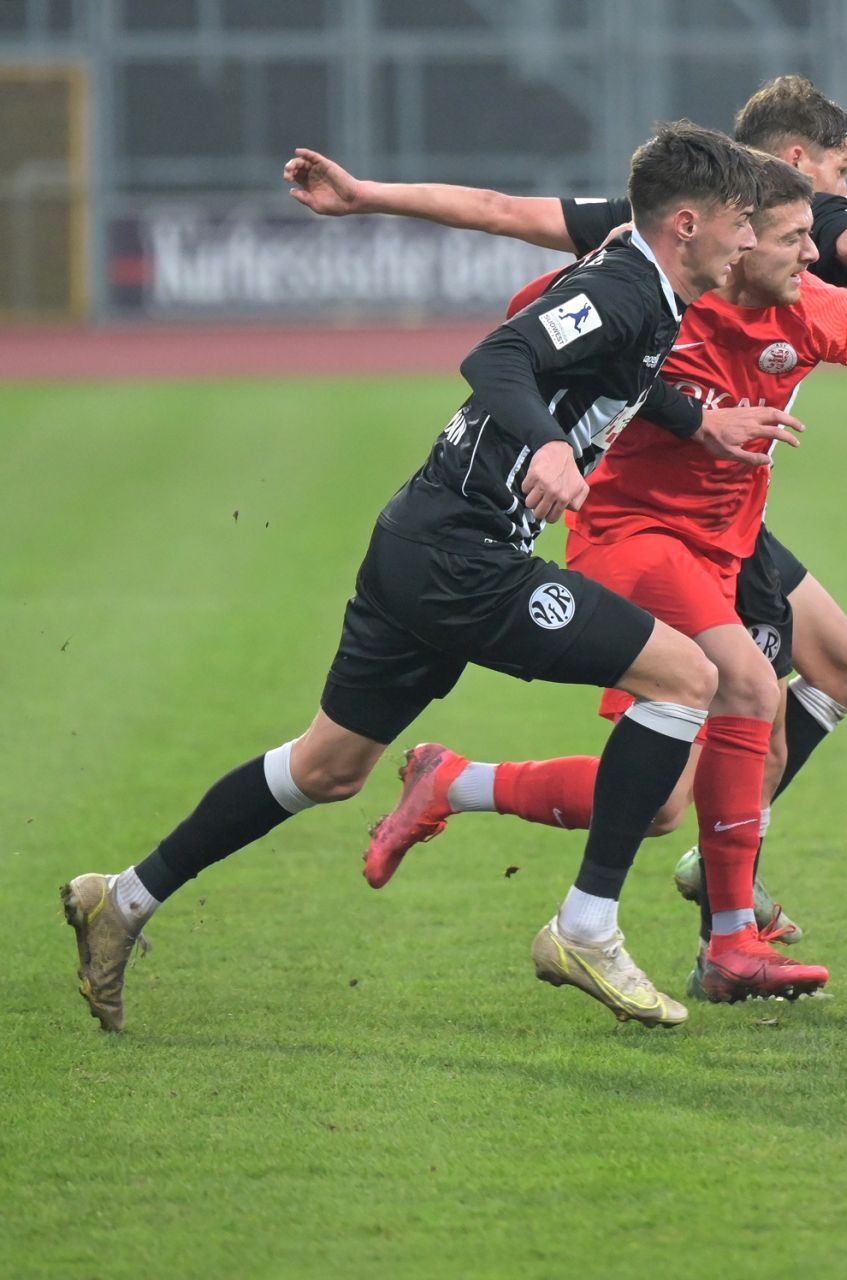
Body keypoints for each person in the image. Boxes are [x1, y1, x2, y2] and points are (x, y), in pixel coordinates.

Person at [61, 122, 798, 1033]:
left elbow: (616, 376)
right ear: (688, 223)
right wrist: (551, 444)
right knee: (690, 675)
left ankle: (122, 901)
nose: (751, 240)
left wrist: (698, 423)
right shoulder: (622, 287)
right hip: (465, 553)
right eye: (739, 222)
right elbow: (498, 358)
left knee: (327, 768)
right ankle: (586, 929)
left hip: (419, 539)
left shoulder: (647, 283)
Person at [283, 75, 847, 934]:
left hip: (729, 523)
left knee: (838, 664)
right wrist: (368, 196)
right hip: (646, 520)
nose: (836, 209)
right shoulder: (680, 229)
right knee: (720, 740)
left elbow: (503, 213)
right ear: (792, 164)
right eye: (841, 167)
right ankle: (700, 898)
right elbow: (506, 232)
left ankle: (724, 879)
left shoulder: (773, 235)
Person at [363, 159, 847, 1002]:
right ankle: (723, 932)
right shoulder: (658, 296)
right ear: (736, 238)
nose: (814, 256)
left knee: (832, 671)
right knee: (742, 697)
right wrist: (653, 400)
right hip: (631, 532)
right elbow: (527, 318)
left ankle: (482, 792)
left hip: (729, 544)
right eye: (795, 238)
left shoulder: (812, 309)